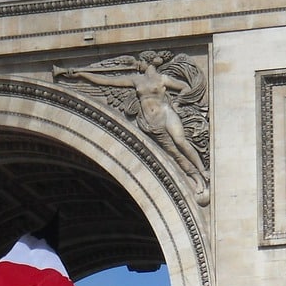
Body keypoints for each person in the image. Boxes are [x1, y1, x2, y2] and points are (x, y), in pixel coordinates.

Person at [60, 56, 210, 199]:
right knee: (174, 153)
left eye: (141, 61)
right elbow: (107, 81)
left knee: (180, 141)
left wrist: (177, 102)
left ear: (148, 62)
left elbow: (184, 87)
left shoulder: (162, 79)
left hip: (166, 114)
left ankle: (203, 170)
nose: (139, 64)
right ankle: (197, 179)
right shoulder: (136, 80)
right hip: (151, 122)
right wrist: (82, 74)